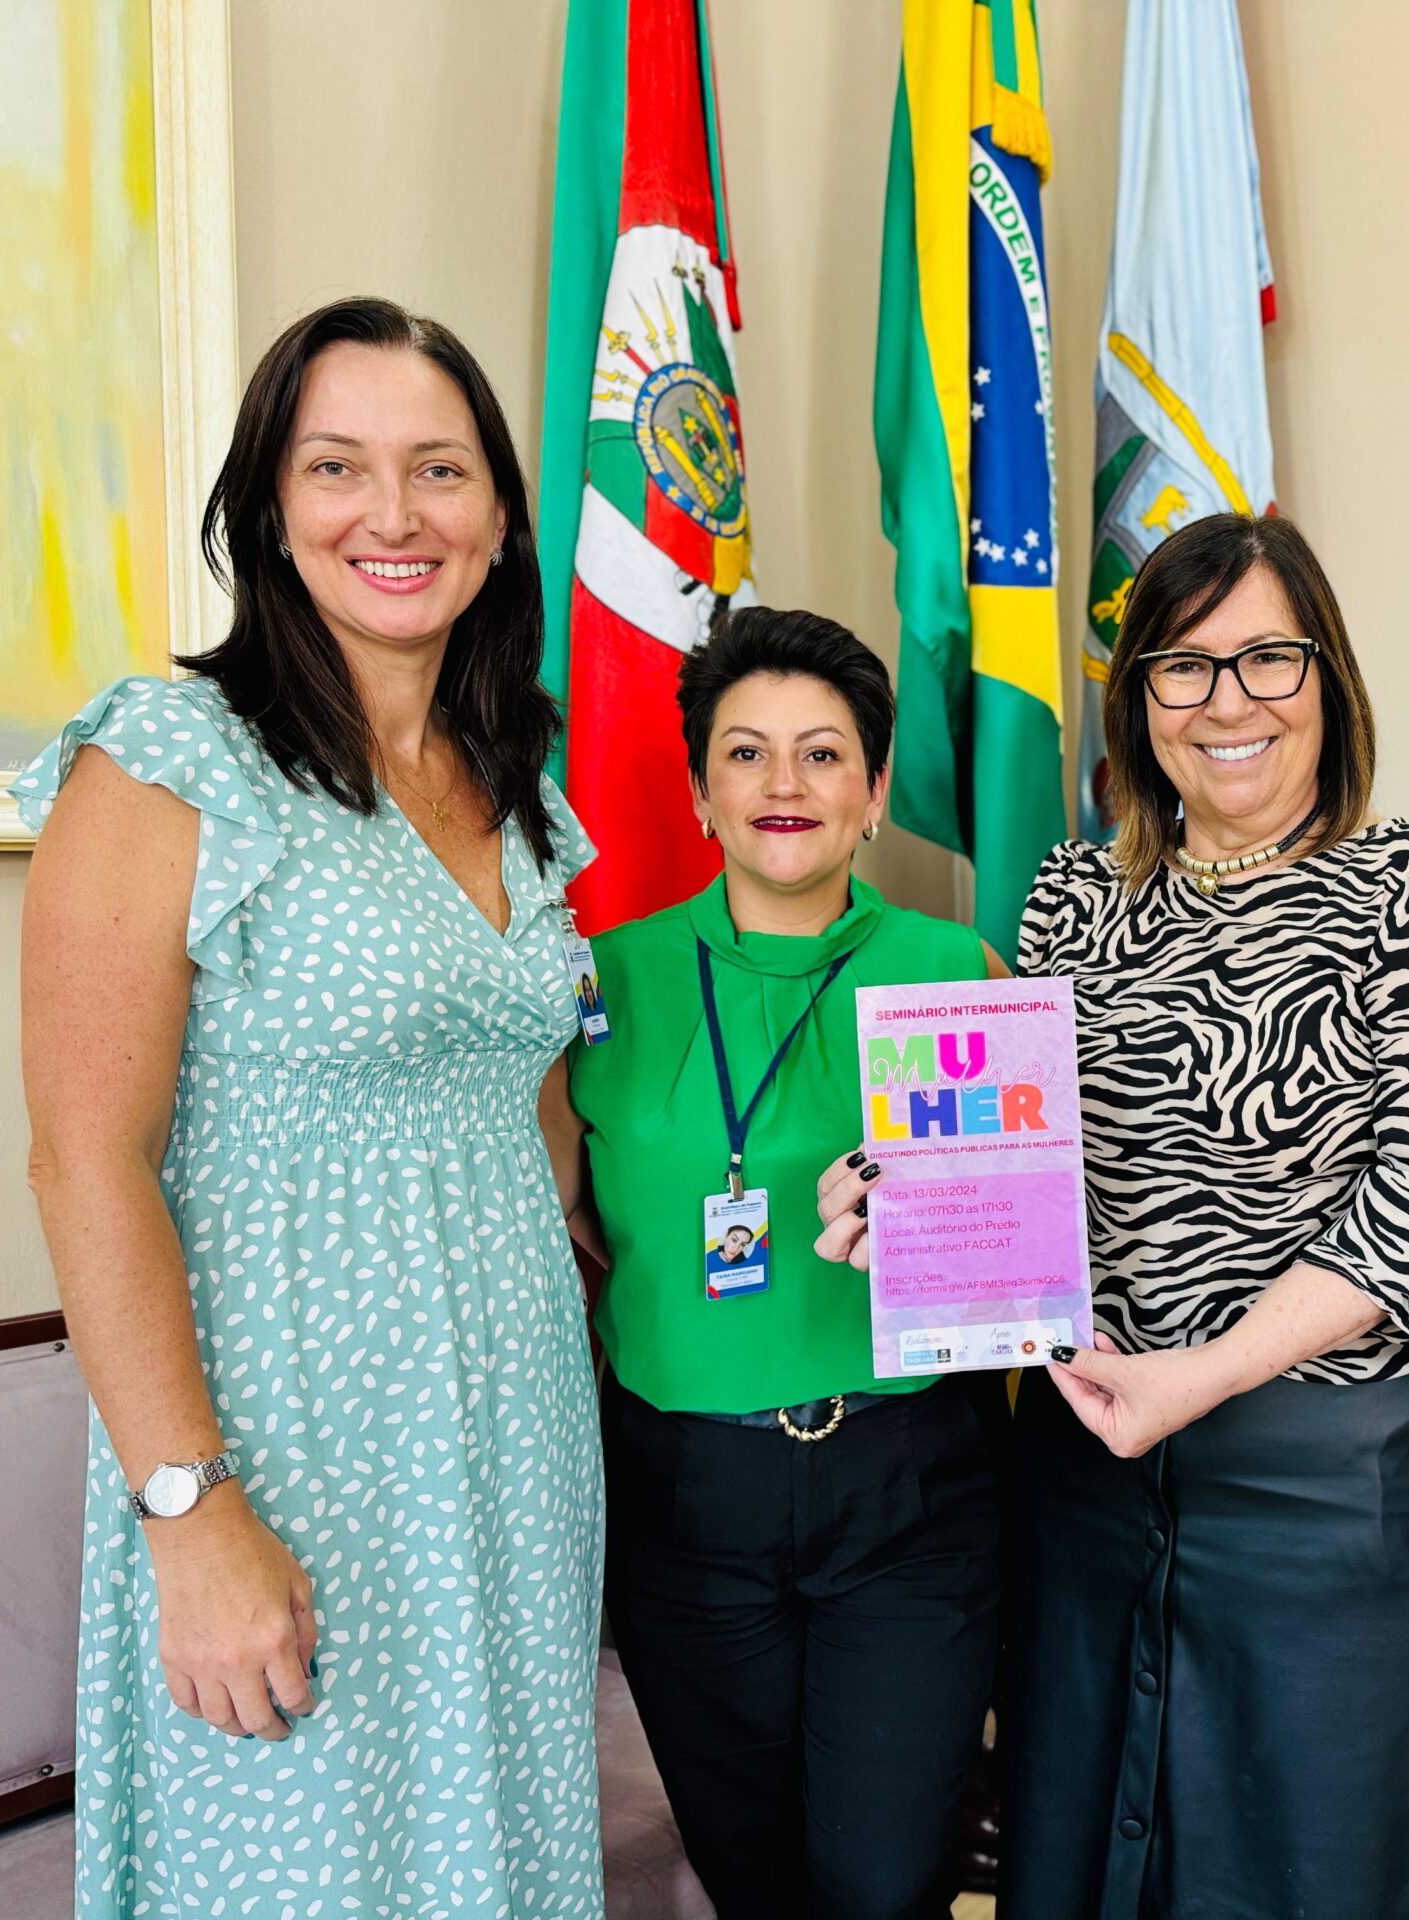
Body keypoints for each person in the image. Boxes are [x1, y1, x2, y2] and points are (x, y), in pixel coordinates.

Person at [820, 512, 1409, 1918]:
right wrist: (897, 1198)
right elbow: (1036, 1164)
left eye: (1269, 658)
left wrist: (1204, 1380)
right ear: (1136, 697)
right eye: (1182, 666)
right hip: (1095, 1474)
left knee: (1315, 1870)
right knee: (1088, 1860)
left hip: (1336, 1488)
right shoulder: (1076, 897)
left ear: (1330, 681)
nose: (1228, 703)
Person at [15, 297, 605, 1918]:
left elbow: (531, 1133)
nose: (393, 515)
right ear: (270, 507)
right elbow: (87, 1159)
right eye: (337, 467)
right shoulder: (171, 761)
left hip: (512, 1455)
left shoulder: (528, 798)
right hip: (281, 1458)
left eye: (440, 470)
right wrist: (189, 1518)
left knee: (498, 1853)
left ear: (498, 517)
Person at [553, 605, 1005, 1920]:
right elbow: (569, 1225)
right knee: (752, 1878)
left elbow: (1013, 1249)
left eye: (823, 754)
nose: (785, 785)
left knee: (883, 1881)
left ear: (873, 793)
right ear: (699, 792)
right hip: (688, 1504)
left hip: (910, 1495)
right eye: (746, 754)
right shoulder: (600, 985)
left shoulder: (954, 971)